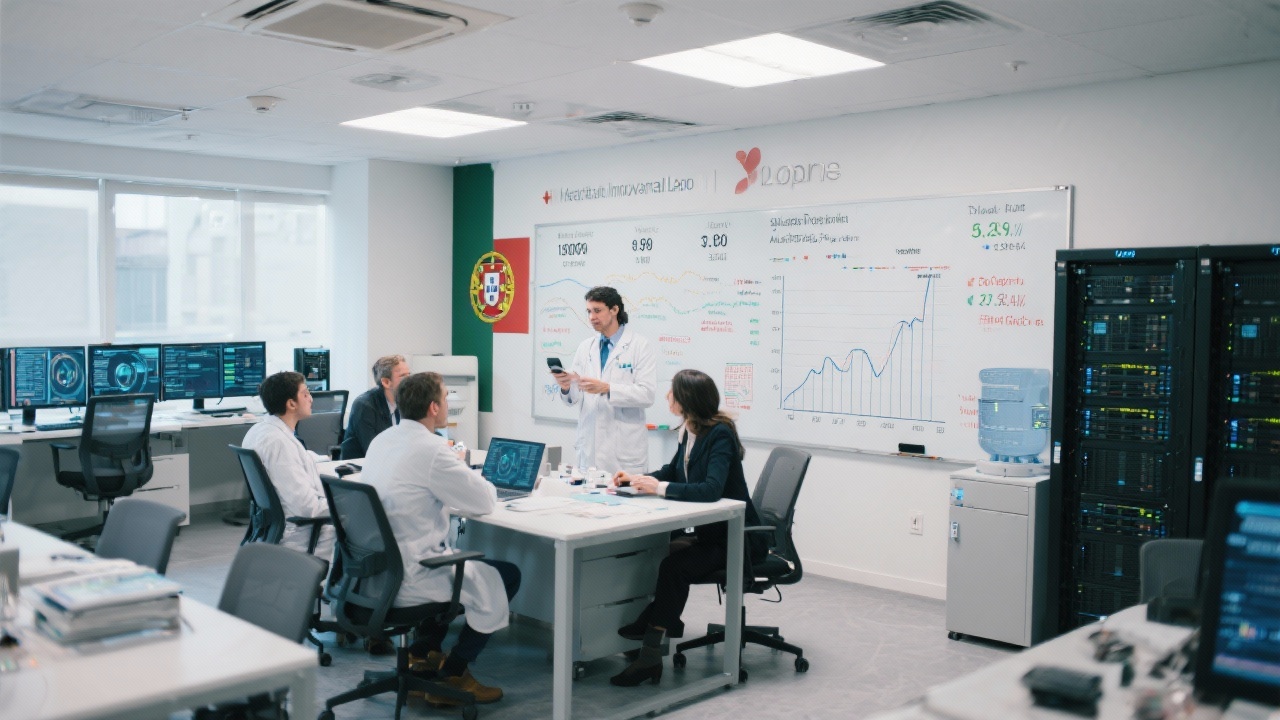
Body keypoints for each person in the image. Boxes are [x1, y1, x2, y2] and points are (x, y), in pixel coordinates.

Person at [359, 371, 521, 705]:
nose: (448, 403)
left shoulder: (382, 441)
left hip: (375, 573)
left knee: (461, 570)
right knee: (506, 575)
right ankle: (455, 672)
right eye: (446, 397)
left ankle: (422, 654)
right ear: (434, 407)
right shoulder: (433, 450)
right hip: (414, 574)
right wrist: (460, 468)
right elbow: (484, 500)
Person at [608, 368, 768, 687]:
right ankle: (658, 624)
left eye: (672, 393)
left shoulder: (719, 433)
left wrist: (659, 488)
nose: (667, 397)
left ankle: (650, 653)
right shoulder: (688, 429)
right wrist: (638, 479)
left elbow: (710, 489)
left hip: (736, 539)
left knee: (674, 567)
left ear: (686, 400)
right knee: (664, 554)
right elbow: (673, 471)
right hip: (712, 533)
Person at [552, 286, 657, 475]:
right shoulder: (586, 348)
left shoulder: (640, 346)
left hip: (624, 453)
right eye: (589, 311)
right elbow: (574, 398)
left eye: (597, 310)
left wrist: (607, 388)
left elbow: (647, 394)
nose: (592, 317)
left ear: (614, 310)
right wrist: (567, 387)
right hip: (589, 450)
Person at [241, 371, 335, 558]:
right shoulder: (280, 444)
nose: (311, 399)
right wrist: (346, 504)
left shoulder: (260, 430)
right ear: (291, 403)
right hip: (303, 534)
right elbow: (308, 507)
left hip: (275, 527)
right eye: (305, 393)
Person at [340, 354, 411, 459]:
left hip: (389, 465)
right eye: (403, 376)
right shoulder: (364, 405)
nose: (410, 380)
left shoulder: (404, 402)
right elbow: (374, 450)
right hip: (359, 468)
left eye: (409, 374)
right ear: (386, 382)